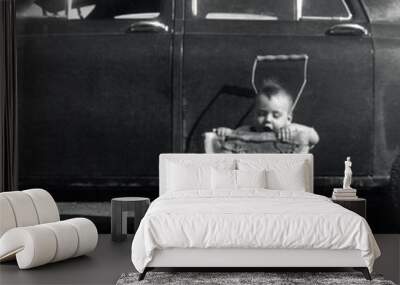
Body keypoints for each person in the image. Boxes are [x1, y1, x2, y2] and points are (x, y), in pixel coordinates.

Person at [205, 79, 319, 153]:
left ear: (288, 119)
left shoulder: (291, 131)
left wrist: (293, 128)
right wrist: (226, 133)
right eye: (261, 114)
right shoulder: (246, 130)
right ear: (254, 115)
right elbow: (234, 138)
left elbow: (314, 138)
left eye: (276, 115)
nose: (268, 119)